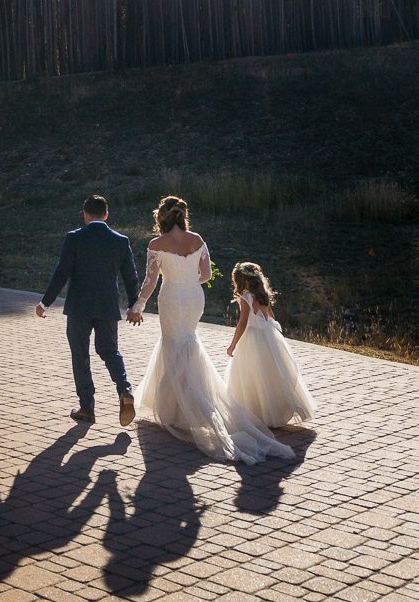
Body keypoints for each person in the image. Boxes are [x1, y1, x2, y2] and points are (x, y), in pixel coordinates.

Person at [129, 196, 293, 464]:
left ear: (162, 217)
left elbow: (150, 281)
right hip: (194, 298)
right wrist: (188, 280)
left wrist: (138, 305)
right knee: (188, 342)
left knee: (174, 344)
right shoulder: (198, 240)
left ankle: (179, 410)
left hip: (171, 297)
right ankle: (186, 406)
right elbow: (205, 275)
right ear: (183, 215)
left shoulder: (156, 244)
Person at [36, 194, 140, 426]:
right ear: (106, 214)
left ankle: (87, 407)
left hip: (79, 307)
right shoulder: (121, 241)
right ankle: (124, 389)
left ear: (85, 214)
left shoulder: (74, 238)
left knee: (80, 355)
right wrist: (135, 305)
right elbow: (131, 278)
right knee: (109, 351)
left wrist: (45, 302)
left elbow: (61, 272)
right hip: (107, 305)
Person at [225, 261, 318, 427]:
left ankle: (257, 413)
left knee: (253, 375)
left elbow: (243, 323)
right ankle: (273, 411)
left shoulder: (246, 297)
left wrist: (233, 345)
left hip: (252, 339)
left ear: (241, 279)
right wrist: (272, 335)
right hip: (268, 336)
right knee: (272, 373)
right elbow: (270, 316)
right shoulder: (263, 294)